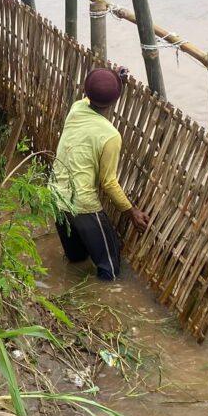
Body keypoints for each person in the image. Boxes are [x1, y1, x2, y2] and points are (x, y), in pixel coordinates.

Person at [51, 68, 150, 281]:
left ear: (86, 92)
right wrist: (132, 212)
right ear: (115, 100)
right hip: (82, 204)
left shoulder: (76, 108)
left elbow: (92, 94)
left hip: (55, 196)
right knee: (110, 268)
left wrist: (114, 77)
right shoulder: (110, 135)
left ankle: (69, 284)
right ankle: (104, 295)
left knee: (76, 257)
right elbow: (108, 182)